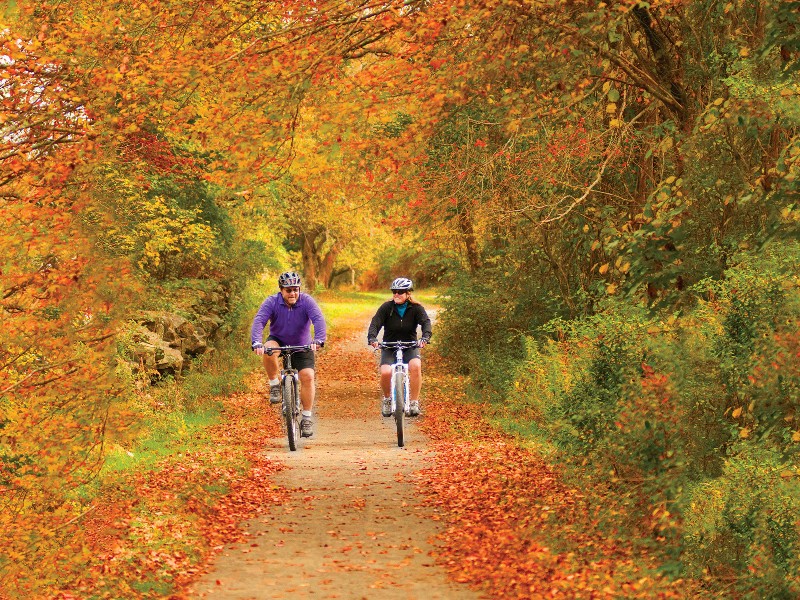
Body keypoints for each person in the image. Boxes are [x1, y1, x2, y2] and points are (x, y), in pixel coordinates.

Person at [251, 271, 326, 438]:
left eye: (295, 290)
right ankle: (274, 385)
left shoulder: (307, 301)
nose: (292, 293)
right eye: (288, 290)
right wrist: (256, 341)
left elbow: (318, 319)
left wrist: (319, 339)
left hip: (302, 345)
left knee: (307, 376)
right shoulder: (272, 302)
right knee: (268, 349)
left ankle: (306, 418)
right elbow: (259, 321)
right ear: (281, 290)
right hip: (278, 340)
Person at [367, 277, 432, 417]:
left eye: (400, 292)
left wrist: (425, 337)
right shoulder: (386, 307)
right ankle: (387, 399)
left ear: (408, 293)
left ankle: (414, 402)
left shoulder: (416, 308)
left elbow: (426, 322)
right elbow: (375, 323)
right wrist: (372, 338)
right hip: (390, 346)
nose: (396, 294)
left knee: (415, 366)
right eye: (394, 291)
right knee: (385, 372)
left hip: (410, 345)